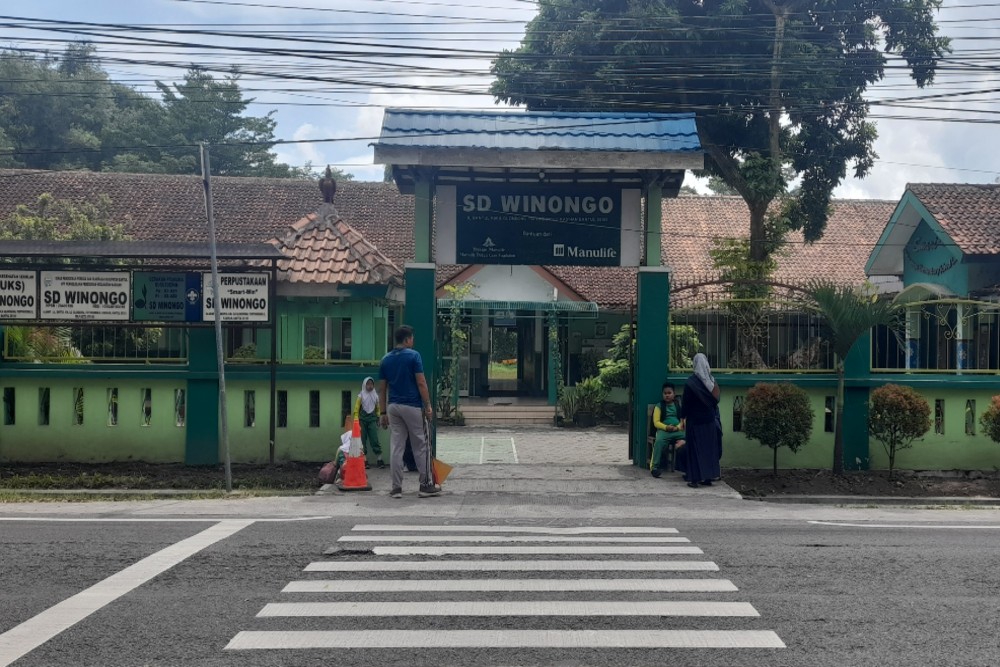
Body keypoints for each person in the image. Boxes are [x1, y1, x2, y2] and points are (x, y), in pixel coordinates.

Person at [378, 325, 439, 498]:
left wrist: (382, 413)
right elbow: (421, 382)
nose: (413, 341)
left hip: (393, 407)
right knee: (421, 444)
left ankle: (396, 488)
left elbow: (382, 389)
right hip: (412, 406)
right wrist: (427, 405)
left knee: (397, 446)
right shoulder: (414, 356)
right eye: (412, 338)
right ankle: (426, 485)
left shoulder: (385, 359)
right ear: (406, 339)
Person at [678, 353, 722, 488]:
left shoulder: (690, 383)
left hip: (695, 421)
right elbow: (717, 400)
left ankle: (694, 479)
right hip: (709, 421)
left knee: (694, 450)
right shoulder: (712, 382)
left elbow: (686, 404)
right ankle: (708, 477)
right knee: (708, 449)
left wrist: (682, 418)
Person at [650, 381, 685, 478]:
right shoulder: (659, 406)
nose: (667, 395)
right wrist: (666, 427)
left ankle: (688, 468)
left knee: (690, 436)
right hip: (664, 431)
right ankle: (655, 468)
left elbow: (683, 420)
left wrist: (677, 427)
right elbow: (656, 422)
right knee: (659, 442)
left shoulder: (678, 405)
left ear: (674, 394)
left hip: (677, 430)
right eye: (665, 393)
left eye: (669, 393)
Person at [353, 377, 385, 469]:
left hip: (372, 420)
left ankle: (379, 460)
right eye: (368, 384)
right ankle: (364, 461)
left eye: (371, 384)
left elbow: (378, 408)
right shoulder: (361, 395)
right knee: (362, 440)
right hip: (362, 420)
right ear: (364, 385)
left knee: (374, 439)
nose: (370, 386)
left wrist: (378, 418)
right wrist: (356, 420)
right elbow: (356, 409)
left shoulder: (375, 396)